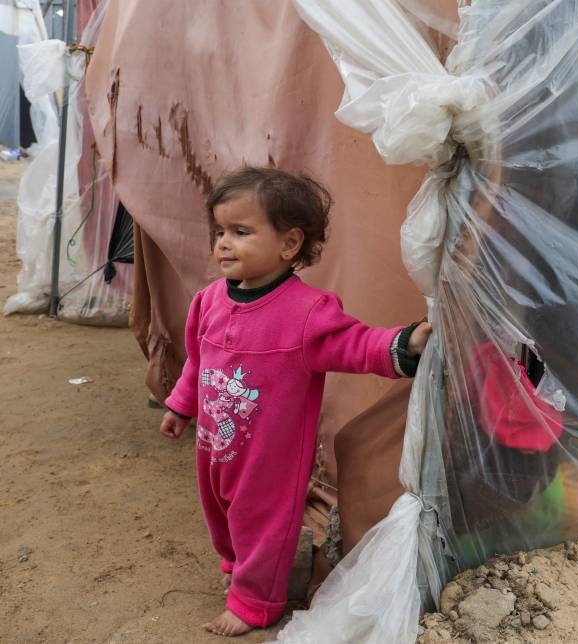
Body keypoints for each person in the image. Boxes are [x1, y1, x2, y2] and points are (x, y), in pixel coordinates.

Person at [158, 167, 431, 636]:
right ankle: (238, 565)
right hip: (216, 446)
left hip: (271, 459)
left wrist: (403, 344)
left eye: (241, 232)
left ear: (289, 245)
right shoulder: (208, 302)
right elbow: (197, 362)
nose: (223, 242)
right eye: (219, 231)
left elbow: (356, 344)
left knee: (262, 522)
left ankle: (255, 602)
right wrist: (181, 406)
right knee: (220, 513)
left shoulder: (306, 313)